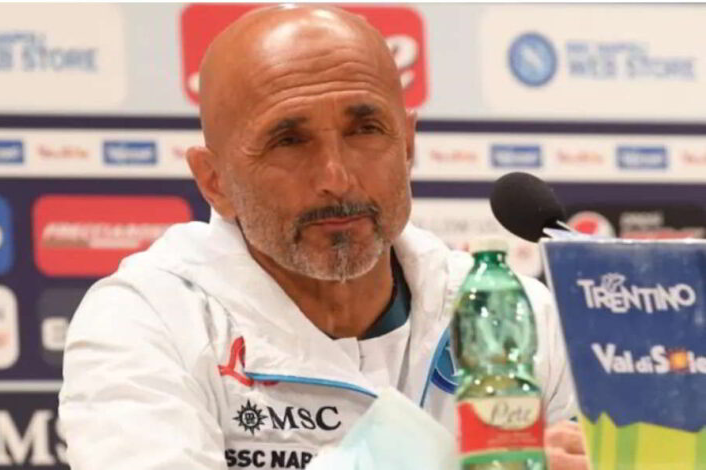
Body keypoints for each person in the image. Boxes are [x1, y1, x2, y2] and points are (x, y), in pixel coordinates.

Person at [59, 5, 588, 470]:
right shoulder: (149, 319)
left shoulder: (517, 312)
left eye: (365, 130)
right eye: (289, 140)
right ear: (214, 182)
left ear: (407, 146)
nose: (337, 177)